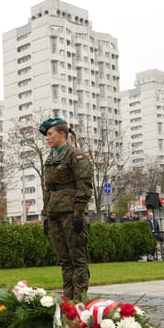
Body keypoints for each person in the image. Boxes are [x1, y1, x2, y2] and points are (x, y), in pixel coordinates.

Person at [39, 117, 94, 301]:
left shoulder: (75, 155)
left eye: (50, 134)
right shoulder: (51, 157)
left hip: (71, 213)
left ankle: (79, 301)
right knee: (64, 260)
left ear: (62, 134)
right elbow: (48, 189)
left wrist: (78, 214)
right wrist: (46, 215)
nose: (47, 138)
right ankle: (68, 301)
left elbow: (84, 186)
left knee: (77, 259)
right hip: (54, 213)